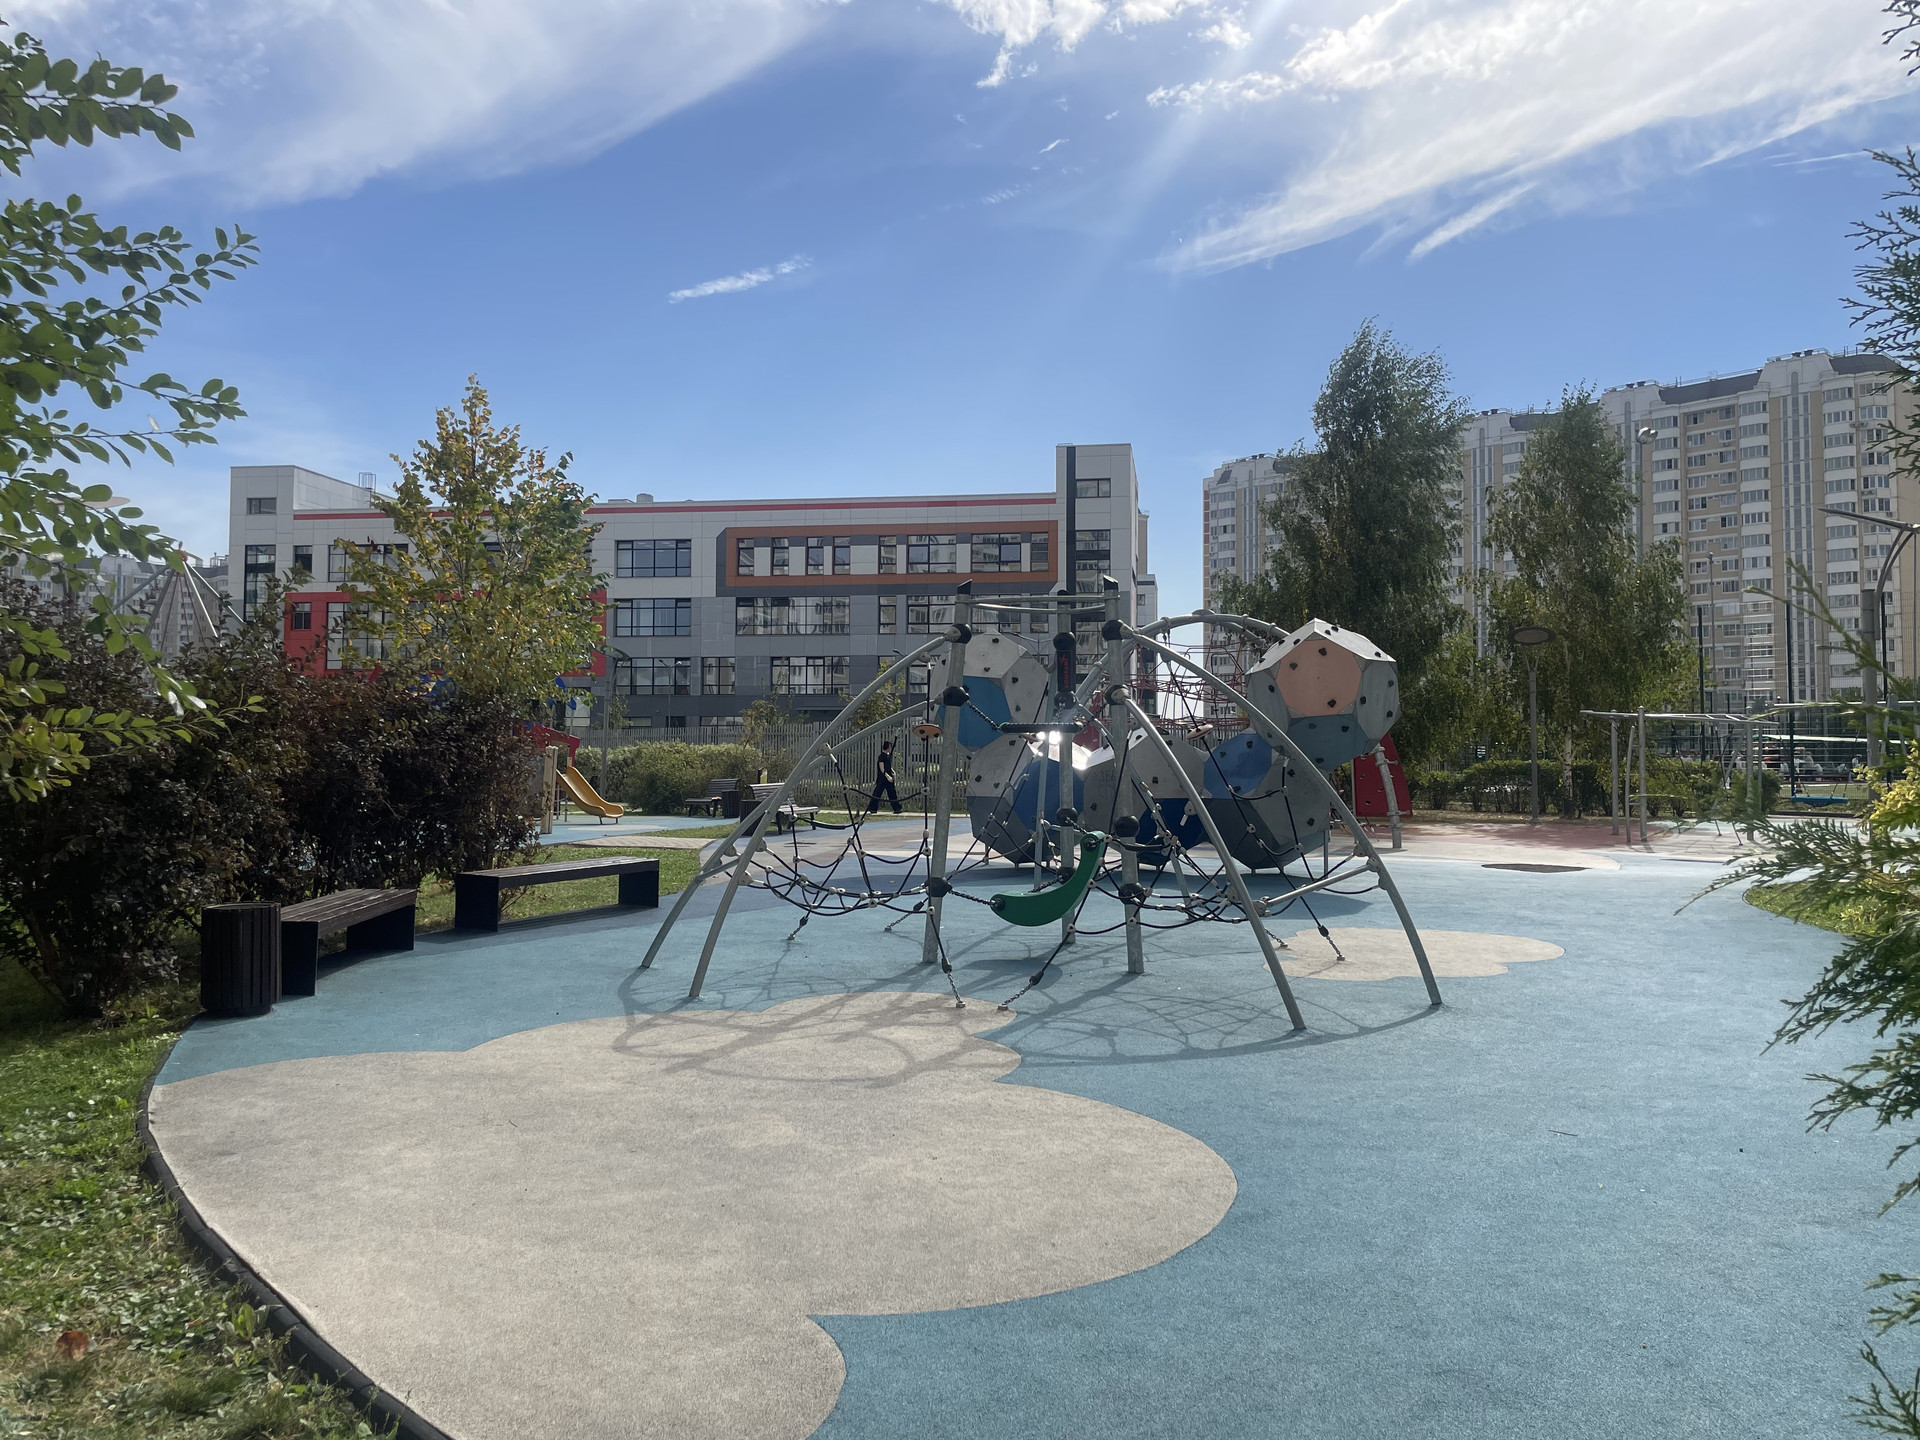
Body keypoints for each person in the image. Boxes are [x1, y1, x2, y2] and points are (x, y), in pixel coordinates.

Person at [868, 738, 903, 815]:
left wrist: (893, 772)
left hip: (889, 778)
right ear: (887, 747)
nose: (890, 748)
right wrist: (887, 776)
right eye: (890, 747)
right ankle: (872, 808)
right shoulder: (881, 757)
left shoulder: (888, 756)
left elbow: (888, 766)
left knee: (892, 793)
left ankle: (897, 808)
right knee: (877, 793)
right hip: (883, 779)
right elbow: (882, 768)